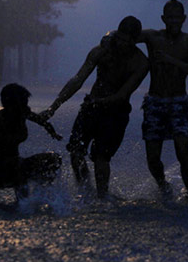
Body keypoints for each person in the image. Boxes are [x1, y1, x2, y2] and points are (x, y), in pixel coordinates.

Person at [40, 16, 149, 199]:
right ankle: (85, 191)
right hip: (91, 107)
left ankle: (101, 197)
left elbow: (123, 94)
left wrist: (100, 102)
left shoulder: (140, 63)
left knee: (101, 158)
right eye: (120, 38)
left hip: (116, 112)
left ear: (135, 40)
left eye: (127, 41)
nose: (122, 44)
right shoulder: (102, 51)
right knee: (75, 153)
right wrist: (54, 107)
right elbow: (78, 80)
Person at [137, 0, 188, 201]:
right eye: (170, 18)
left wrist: (172, 60)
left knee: (182, 150)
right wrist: (108, 37)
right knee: (152, 157)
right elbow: (124, 35)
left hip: (179, 101)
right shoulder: (152, 36)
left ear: (184, 19)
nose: (174, 21)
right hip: (155, 101)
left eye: (178, 18)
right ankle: (163, 186)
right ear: (163, 18)